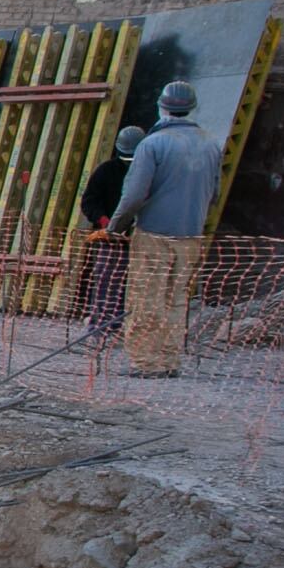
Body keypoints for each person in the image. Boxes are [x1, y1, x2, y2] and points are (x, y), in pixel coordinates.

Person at [107, 83, 222, 377]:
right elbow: (215, 193)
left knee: (147, 299)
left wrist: (115, 226)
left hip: (154, 235)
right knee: (177, 299)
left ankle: (146, 362)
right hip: (191, 236)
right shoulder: (211, 143)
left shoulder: (152, 144)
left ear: (162, 106)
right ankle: (170, 361)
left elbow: (133, 195)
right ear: (192, 106)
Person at [75, 126, 145, 341]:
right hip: (110, 239)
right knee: (107, 281)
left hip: (141, 236)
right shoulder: (106, 171)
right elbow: (89, 202)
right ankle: (103, 326)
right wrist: (106, 223)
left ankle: (133, 326)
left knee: (138, 283)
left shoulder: (147, 170)